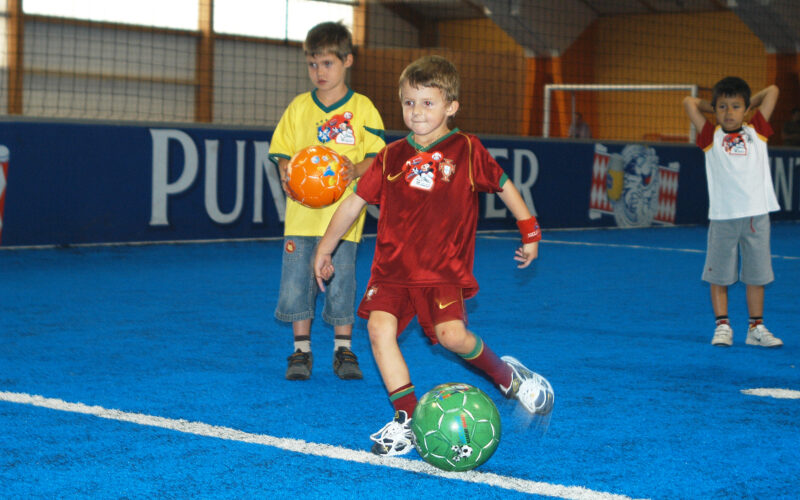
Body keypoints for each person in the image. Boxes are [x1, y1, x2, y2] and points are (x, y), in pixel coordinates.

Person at [313, 55, 554, 456]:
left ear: (451, 106)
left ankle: (508, 378)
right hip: (391, 271)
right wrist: (325, 247)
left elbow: (506, 186)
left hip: (441, 271)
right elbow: (354, 203)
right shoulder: (389, 157)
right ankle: (406, 418)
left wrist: (530, 231)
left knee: (452, 337)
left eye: (428, 102)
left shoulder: (466, 149)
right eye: (409, 102)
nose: (417, 111)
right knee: (378, 330)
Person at [269, 22, 386, 380]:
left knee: (342, 285)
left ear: (348, 60)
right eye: (313, 64)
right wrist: (286, 173)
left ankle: (343, 350)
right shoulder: (298, 108)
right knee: (297, 285)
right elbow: (282, 154)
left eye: (327, 63)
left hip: (344, 223)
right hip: (301, 218)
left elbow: (377, 159)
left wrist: (355, 169)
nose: (319, 72)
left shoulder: (363, 108)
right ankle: (300, 353)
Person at [683, 77, 783, 348]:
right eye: (723, 107)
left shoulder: (757, 131)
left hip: (756, 217)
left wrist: (748, 104)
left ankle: (756, 328)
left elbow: (772, 90)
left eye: (736, 106)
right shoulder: (710, 136)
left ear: (746, 109)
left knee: (757, 274)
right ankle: (723, 325)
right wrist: (712, 104)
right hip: (723, 218)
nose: (729, 112)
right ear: (715, 110)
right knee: (719, 275)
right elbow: (688, 102)